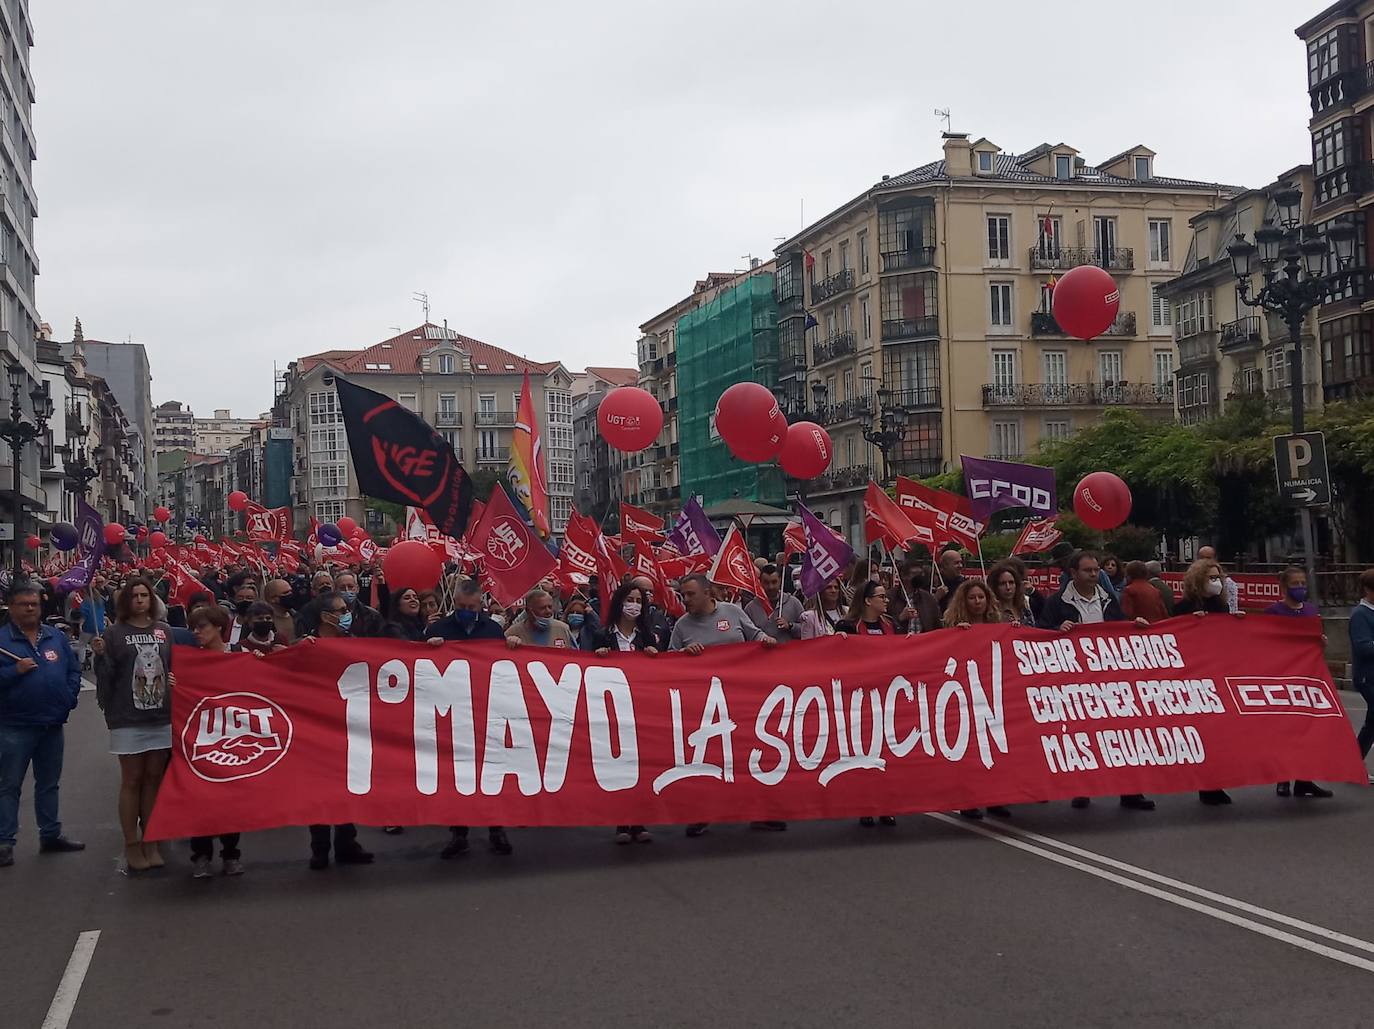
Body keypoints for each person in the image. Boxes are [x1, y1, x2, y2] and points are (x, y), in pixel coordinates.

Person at [1037, 552, 1155, 813]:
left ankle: (1130, 791)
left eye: (1096, 569)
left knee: (1123, 734)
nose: (1094, 574)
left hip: (1108, 679)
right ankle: (1081, 789)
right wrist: (1057, 630)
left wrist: (1132, 626)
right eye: (1088, 570)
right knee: (1083, 736)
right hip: (1075, 680)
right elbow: (1041, 630)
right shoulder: (1057, 602)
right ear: (1073, 573)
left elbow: (1118, 627)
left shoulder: (1108, 598)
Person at [670, 574, 778, 835]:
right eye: (683, 595)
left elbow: (756, 635)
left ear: (708, 593)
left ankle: (759, 812)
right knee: (707, 759)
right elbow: (669, 660)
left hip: (741, 700)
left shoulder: (732, 612)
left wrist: (766, 640)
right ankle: (702, 814)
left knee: (749, 755)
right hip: (704, 708)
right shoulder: (682, 626)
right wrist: (685, 654)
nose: (686, 600)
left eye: (690, 594)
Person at [423, 581, 515, 858]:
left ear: (480, 606)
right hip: (452, 712)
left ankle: (496, 829)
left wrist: (512, 646)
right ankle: (458, 832)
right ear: (455, 604)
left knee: (491, 773)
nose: (466, 611)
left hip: (487, 710)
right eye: (461, 607)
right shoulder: (440, 630)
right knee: (457, 776)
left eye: (471, 608)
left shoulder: (493, 629)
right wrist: (427, 646)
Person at [93, 576, 176, 872]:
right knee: (132, 780)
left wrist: (175, 681)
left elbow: (173, 666)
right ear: (125, 601)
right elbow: (107, 676)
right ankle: (131, 844)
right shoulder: (115, 633)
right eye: (134, 595)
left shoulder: (164, 631)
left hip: (160, 716)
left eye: (144, 595)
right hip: (128, 717)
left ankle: (151, 839)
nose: (140, 600)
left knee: (155, 778)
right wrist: (100, 655)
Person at [0, 582, 85, 868]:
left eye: (34, 604)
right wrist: (15, 671)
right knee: (8, 786)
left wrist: (69, 697)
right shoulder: (2, 640)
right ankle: (5, 842)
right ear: (11, 608)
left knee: (48, 784)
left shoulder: (54, 636)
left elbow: (73, 670)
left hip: (51, 724)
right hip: (14, 726)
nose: (29, 608)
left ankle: (50, 835)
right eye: (23, 604)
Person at [297, 591, 374, 870]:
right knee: (318, 790)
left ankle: (346, 842)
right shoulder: (306, 646)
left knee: (346, 787)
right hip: (315, 728)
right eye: (342, 610)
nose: (347, 614)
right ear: (326, 616)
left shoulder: (353, 645)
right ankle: (319, 847)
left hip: (348, 727)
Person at [1175, 558, 1248, 805]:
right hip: (1194, 679)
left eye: (1218, 577)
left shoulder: (1220, 605)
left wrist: (1236, 624)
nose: (1217, 582)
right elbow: (1172, 637)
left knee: (1219, 735)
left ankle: (1215, 782)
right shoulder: (1184, 606)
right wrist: (1189, 624)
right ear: (1198, 581)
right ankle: (1205, 784)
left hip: (1217, 675)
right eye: (1211, 578)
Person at [593, 582, 657, 844]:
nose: (634, 605)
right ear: (620, 602)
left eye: (639, 601)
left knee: (641, 765)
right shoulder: (602, 635)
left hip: (641, 709)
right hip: (613, 708)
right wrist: (598, 657)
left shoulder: (647, 637)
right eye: (630, 599)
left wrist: (654, 656)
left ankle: (639, 822)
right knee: (619, 766)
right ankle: (621, 822)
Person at [185, 605, 245, 877]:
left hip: (232, 737)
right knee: (199, 800)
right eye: (194, 628)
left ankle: (231, 853)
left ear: (219, 628)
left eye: (202, 627)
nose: (196, 633)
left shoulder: (238, 655)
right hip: (201, 739)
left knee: (230, 800)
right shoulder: (188, 661)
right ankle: (201, 854)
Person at [1264, 566, 1334, 800]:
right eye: (1295, 584)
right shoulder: (1273, 612)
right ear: (1284, 587)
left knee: (1307, 730)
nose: (1300, 588)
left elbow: (1316, 645)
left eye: (1303, 583)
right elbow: (1265, 643)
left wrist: (1320, 644)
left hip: (1308, 679)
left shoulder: (1311, 611)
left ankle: (1304, 780)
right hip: (1283, 677)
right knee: (1286, 730)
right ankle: (1283, 778)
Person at [743, 564, 804, 644]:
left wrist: (790, 626)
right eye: (766, 582)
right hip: (762, 655)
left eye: (774, 582)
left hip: (789, 654)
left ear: (780, 581)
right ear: (760, 582)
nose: (770, 587)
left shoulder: (794, 603)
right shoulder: (750, 608)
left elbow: (806, 630)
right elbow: (746, 636)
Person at [1351, 568, 1374, 771]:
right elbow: (1363, 647)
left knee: (1373, 721)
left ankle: (1353, 762)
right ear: (1367, 590)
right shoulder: (1360, 614)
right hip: (1367, 676)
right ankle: (1353, 763)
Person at [505, 588, 575, 648]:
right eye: (542, 608)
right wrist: (509, 644)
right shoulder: (513, 632)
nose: (548, 611)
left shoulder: (563, 629)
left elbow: (576, 656)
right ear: (528, 610)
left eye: (550, 607)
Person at [76, 574, 108, 670]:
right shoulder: (100, 600)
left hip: (88, 626)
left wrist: (80, 625)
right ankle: (96, 665)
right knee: (96, 647)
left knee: (82, 644)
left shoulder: (86, 601)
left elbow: (84, 615)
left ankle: (81, 662)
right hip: (99, 626)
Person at [987, 561, 1032, 625]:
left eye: (1011, 582)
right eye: (1002, 584)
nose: (1008, 587)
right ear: (995, 586)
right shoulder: (991, 612)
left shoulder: (1024, 607)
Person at [263, 577, 296, 644]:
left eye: (290, 591)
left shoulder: (297, 617)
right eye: (285, 593)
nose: (290, 594)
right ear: (272, 598)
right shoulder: (264, 622)